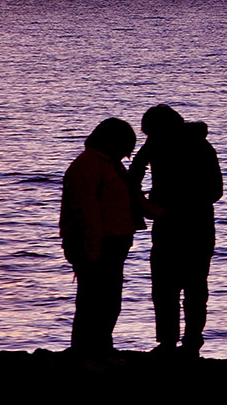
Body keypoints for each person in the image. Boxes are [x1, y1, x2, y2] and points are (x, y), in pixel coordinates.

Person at [130, 104, 223, 357]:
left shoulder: (157, 144)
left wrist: (146, 200)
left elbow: (134, 173)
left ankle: (172, 342)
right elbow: (216, 191)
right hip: (198, 224)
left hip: (173, 223)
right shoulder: (201, 146)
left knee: (167, 286)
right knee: (192, 287)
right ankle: (190, 342)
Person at [59, 117, 143, 356]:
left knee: (108, 303)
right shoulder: (87, 167)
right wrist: (92, 252)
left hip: (112, 242)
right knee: (92, 303)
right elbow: (88, 214)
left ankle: (101, 349)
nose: (128, 151)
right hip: (94, 244)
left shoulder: (110, 165)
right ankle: (86, 353)